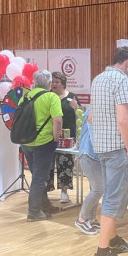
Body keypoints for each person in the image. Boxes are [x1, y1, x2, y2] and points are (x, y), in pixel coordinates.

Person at [89, 46, 128, 256]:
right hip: (118, 149)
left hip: (101, 147)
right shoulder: (122, 81)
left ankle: (112, 239)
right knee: (113, 199)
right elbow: (123, 118)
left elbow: (91, 118)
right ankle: (102, 253)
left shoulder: (98, 79)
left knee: (110, 195)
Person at [21, 70, 63, 221]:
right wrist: (56, 139)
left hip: (26, 141)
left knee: (37, 176)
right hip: (43, 141)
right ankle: (34, 212)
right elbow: (58, 120)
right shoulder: (51, 97)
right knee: (39, 178)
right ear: (49, 83)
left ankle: (44, 206)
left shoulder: (26, 96)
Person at [47, 71, 80, 203]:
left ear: (63, 84)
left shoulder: (71, 97)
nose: (54, 84)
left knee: (65, 164)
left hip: (68, 138)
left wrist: (76, 107)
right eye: (52, 82)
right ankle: (46, 191)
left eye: (57, 82)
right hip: (50, 136)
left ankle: (64, 191)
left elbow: (79, 114)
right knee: (48, 164)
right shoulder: (48, 96)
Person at [74, 107, 102, 235]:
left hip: (93, 155)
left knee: (96, 189)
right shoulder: (95, 109)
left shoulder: (95, 108)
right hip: (89, 155)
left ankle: (91, 219)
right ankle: (82, 219)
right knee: (98, 189)